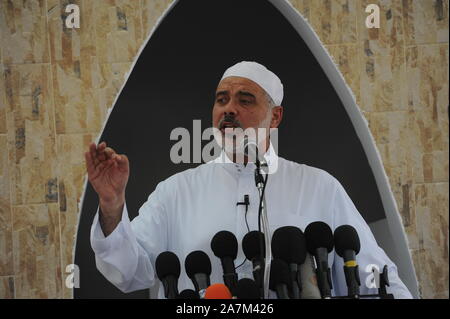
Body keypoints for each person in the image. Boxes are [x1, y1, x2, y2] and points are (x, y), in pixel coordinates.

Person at [85, 61, 412, 299]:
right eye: (221, 99)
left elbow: (374, 276)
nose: (229, 109)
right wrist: (112, 205)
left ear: (276, 116)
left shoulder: (318, 187)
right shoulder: (175, 192)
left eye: (245, 100)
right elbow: (129, 272)